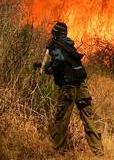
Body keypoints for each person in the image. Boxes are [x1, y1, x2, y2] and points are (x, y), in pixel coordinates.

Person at [44, 22, 103, 155]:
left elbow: (58, 60)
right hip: (81, 85)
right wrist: (47, 65)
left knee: (62, 118)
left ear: (54, 33)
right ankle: (98, 150)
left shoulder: (55, 44)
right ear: (65, 33)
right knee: (88, 117)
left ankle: (58, 151)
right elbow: (65, 61)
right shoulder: (69, 44)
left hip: (68, 87)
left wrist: (49, 69)